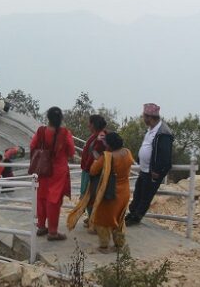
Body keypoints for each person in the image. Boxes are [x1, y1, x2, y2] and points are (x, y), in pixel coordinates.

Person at [69, 132, 134, 252]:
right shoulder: (127, 152)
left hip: (110, 193)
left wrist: (96, 158)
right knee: (119, 219)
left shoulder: (107, 157)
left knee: (102, 219)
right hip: (124, 191)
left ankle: (104, 245)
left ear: (109, 144)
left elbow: (93, 171)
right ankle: (119, 245)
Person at [30, 106, 76, 241]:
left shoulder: (41, 131)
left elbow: (32, 146)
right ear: (60, 118)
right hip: (58, 171)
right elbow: (71, 151)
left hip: (43, 169)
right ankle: (53, 232)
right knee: (54, 200)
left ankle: (41, 226)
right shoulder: (65, 133)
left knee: (42, 197)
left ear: (48, 117)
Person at [126, 103, 174, 226]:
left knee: (145, 196)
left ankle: (136, 217)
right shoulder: (151, 130)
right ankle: (131, 214)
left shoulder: (164, 132)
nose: (143, 119)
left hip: (153, 172)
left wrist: (157, 170)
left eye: (144, 116)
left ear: (149, 117)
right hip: (144, 169)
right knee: (138, 193)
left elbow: (164, 155)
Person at [79, 115, 108, 225]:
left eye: (90, 123)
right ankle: (92, 217)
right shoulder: (96, 135)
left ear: (94, 124)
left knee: (90, 196)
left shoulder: (100, 137)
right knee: (88, 195)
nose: (88, 125)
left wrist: (91, 166)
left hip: (93, 172)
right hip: (88, 170)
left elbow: (97, 155)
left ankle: (95, 220)